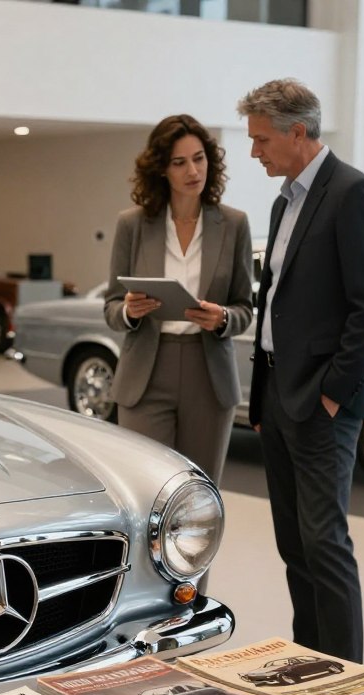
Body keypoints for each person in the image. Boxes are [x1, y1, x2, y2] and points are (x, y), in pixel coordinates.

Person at [237, 79, 364, 662]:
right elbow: (278, 301)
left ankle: (347, 680)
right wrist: (263, 395)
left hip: (321, 401)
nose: (255, 152)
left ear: (297, 132)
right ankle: (312, 665)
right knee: (294, 546)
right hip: (277, 394)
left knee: (325, 544)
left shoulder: (352, 193)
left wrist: (333, 392)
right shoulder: (285, 201)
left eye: (261, 139)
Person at [104, 114, 253, 488]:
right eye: (179, 162)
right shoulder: (132, 224)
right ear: (161, 169)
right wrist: (129, 311)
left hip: (209, 374)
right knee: (146, 489)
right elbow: (111, 307)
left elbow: (244, 308)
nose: (193, 171)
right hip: (146, 373)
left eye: (199, 158)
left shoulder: (234, 224)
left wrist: (222, 318)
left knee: (199, 492)